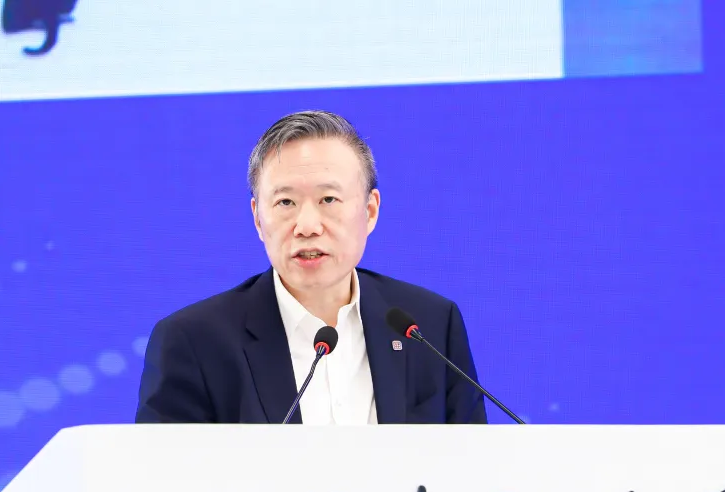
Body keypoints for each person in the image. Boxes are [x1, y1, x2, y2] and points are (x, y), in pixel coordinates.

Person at [134, 110, 487, 424]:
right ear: (258, 218)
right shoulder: (195, 343)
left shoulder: (430, 327)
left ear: (370, 211)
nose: (306, 226)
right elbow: (164, 475)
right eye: (285, 202)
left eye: (328, 199)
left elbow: (474, 465)